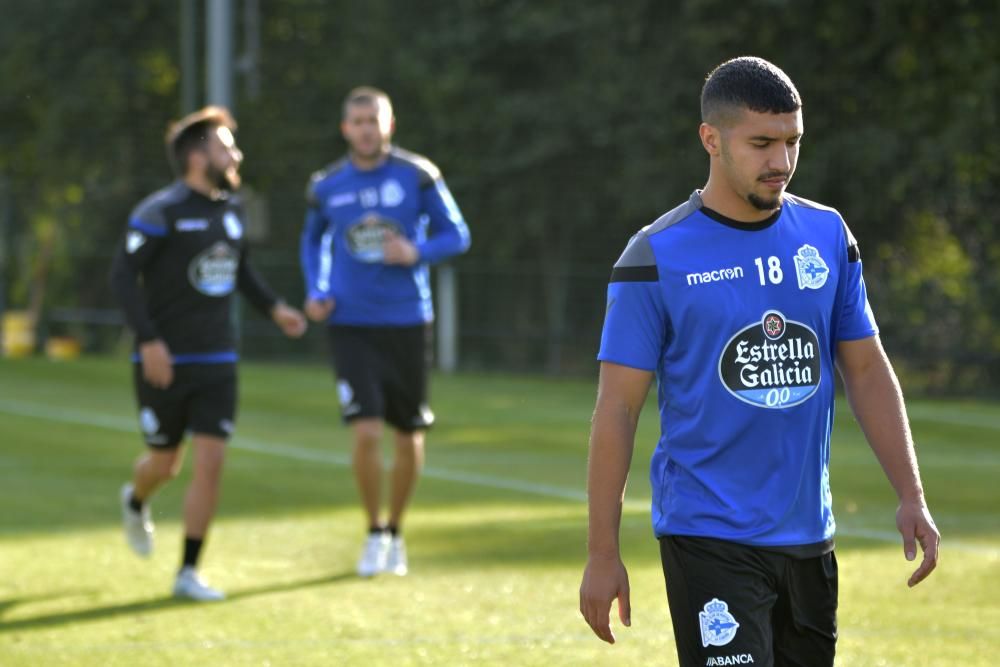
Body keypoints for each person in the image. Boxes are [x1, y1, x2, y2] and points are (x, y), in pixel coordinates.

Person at [578, 57, 940, 665]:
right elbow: (616, 410)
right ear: (711, 139)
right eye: (762, 143)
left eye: (793, 142)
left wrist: (911, 492)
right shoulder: (655, 256)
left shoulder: (827, 236)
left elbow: (868, 369)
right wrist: (601, 552)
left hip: (809, 537)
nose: (781, 162)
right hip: (707, 535)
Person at [110, 106, 307, 601]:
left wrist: (277, 309)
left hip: (218, 359)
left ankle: (188, 572)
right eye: (226, 146)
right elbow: (121, 277)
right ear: (199, 155)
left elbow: (240, 272)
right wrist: (149, 341)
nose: (235, 154)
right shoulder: (160, 211)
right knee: (164, 464)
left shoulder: (231, 210)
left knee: (211, 461)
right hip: (164, 361)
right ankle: (135, 500)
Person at [300, 87, 470, 578]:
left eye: (373, 120)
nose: (365, 129)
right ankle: (373, 531)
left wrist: (416, 251)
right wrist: (317, 288)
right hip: (350, 322)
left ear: (389, 125)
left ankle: (396, 531)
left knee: (408, 433)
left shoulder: (418, 175)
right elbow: (312, 243)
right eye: (357, 121)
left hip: (407, 320)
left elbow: (456, 233)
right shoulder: (326, 185)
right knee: (366, 429)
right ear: (345, 129)